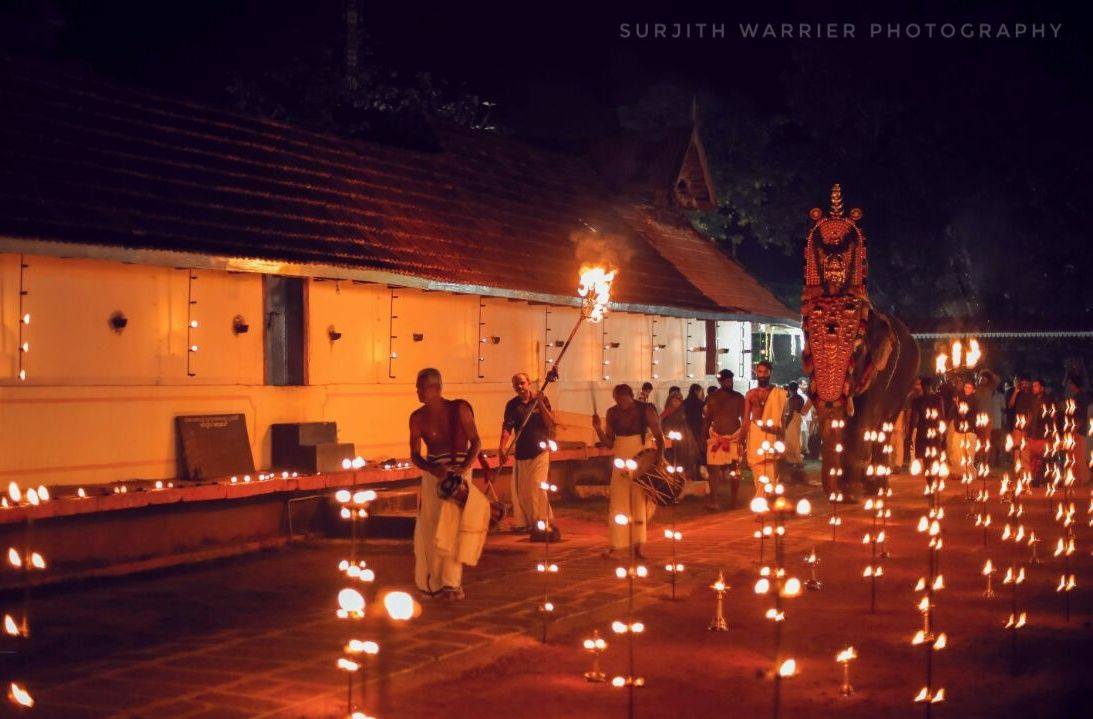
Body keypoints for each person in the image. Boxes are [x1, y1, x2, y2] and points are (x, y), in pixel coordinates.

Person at [409, 368, 490, 601]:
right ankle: (431, 584)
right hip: (433, 476)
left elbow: (475, 442)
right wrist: (434, 469)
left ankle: (451, 584)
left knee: (452, 530)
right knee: (430, 529)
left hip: (458, 474)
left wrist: (462, 469)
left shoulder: (459, 409)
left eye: (421, 387)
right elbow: (415, 454)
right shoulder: (417, 417)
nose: (417, 391)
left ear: (435, 388)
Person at [592, 384, 665, 559]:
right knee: (618, 500)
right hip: (621, 456)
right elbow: (610, 443)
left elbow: (658, 434)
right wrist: (597, 428)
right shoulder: (612, 412)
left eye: (623, 399)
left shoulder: (645, 409)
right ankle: (617, 543)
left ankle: (638, 546)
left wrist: (659, 458)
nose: (621, 403)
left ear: (631, 396)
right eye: (617, 399)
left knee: (639, 502)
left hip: (640, 455)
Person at [499, 372, 556, 532]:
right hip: (522, 452)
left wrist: (540, 404)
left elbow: (551, 423)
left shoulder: (541, 399)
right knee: (523, 492)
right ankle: (528, 523)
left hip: (540, 451)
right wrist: (502, 447)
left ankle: (544, 521)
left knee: (537, 486)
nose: (520, 386)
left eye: (522, 383)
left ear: (529, 382)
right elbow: (507, 428)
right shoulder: (512, 405)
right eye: (516, 384)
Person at [744, 361, 788, 494]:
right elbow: (746, 419)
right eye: (760, 372)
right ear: (756, 373)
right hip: (755, 435)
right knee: (757, 467)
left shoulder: (779, 393)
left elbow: (782, 419)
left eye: (765, 372)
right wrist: (741, 440)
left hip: (773, 434)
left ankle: (766, 497)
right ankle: (762, 496)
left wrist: (782, 438)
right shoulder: (750, 394)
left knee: (771, 466)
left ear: (770, 373)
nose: (762, 375)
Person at [703, 370, 745, 509]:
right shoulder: (712, 398)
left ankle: (734, 499)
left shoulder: (739, 398)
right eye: (727, 381)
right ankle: (714, 499)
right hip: (716, 437)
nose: (730, 383)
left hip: (734, 437)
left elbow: (745, 419)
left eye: (731, 380)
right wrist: (704, 437)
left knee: (735, 470)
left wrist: (744, 437)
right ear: (721, 382)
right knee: (713, 470)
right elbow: (708, 419)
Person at [661, 386, 699, 479]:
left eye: (679, 399)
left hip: (684, 439)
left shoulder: (683, 411)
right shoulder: (667, 412)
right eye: (675, 399)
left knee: (685, 461)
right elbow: (661, 421)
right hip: (670, 438)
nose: (677, 402)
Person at [1064, 375, 1090, 485]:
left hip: (1079, 431)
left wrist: (1076, 427)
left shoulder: (1081, 398)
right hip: (1075, 430)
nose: (1069, 386)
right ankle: (1077, 479)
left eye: (1070, 384)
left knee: (1079, 456)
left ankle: (1083, 479)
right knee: (1074, 456)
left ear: (1074, 385)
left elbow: (1082, 414)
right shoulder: (1076, 397)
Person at [782, 382, 806, 480]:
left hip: (792, 419)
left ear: (790, 389)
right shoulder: (800, 398)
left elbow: (791, 412)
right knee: (796, 438)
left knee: (790, 439)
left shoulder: (792, 399)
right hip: (798, 418)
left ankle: (795, 459)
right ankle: (795, 458)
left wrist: (786, 424)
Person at [682, 384, 707, 476]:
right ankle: (697, 473)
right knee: (699, 451)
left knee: (687, 451)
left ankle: (688, 473)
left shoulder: (684, 402)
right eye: (700, 391)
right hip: (698, 429)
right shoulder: (701, 403)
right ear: (696, 391)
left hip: (686, 430)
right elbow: (707, 414)